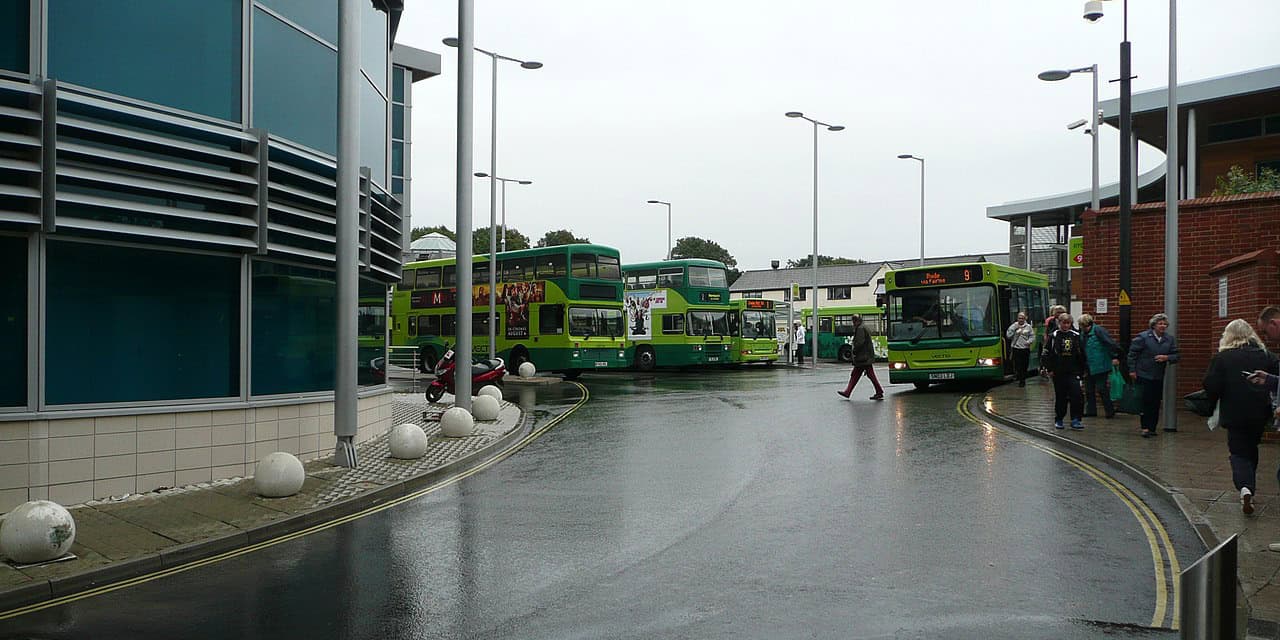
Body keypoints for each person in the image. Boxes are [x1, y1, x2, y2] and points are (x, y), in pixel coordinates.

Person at [1204, 319, 1278, 515]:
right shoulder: (1266, 355)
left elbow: (1211, 385)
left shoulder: (1223, 358)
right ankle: (1249, 486)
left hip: (1234, 411)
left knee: (1237, 451)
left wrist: (1210, 406)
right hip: (1260, 411)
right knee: (1251, 446)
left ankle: (1245, 487)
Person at [1128, 313, 1181, 437]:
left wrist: (1166, 357)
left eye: (1164, 324)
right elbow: (1132, 354)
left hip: (1158, 375)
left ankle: (1152, 427)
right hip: (1143, 373)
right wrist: (1132, 370)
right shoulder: (1143, 337)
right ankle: (1145, 428)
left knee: (1156, 402)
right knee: (1145, 401)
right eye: (1160, 324)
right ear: (1154, 325)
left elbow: (1176, 355)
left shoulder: (1169, 339)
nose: (1162, 326)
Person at [1041, 312, 1087, 430]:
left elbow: (1082, 355)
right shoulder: (1054, 336)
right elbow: (1046, 354)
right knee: (1061, 397)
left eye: (1068, 323)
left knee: (1077, 395)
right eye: (1063, 323)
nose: (1066, 325)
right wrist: (1049, 369)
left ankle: (1076, 419)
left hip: (1073, 371)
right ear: (1059, 323)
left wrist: (1083, 370)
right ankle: (1059, 419)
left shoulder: (1076, 336)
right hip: (1058, 372)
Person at [1078, 314, 1120, 418]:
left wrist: (1114, 356)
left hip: (1101, 365)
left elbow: (1110, 344)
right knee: (1089, 390)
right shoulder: (1083, 334)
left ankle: (1109, 411)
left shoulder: (1099, 331)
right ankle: (1091, 411)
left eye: (1084, 326)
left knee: (1102, 389)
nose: (1083, 328)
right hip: (1089, 365)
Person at [837, 314, 885, 401]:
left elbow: (859, 342)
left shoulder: (860, 329)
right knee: (864, 375)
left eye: (854, 321)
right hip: (865, 357)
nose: (853, 323)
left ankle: (848, 392)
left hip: (862, 357)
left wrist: (854, 351)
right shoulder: (862, 327)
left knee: (857, 375)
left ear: (856, 321)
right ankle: (878, 391)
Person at [1005, 311, 1035, 387]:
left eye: (1022, 318)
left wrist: (1028, 342)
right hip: (1016, 348)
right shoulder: (1013, 326)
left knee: (1025, 365)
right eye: (1019, 318)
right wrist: (1015, 332)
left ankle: (1023, 378)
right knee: (1018, 365)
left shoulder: (1028, 327)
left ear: (1025, 318)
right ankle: (1021, 380)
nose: (1021, 320)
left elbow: (1032, 336)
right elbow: (1008, 336)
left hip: (1025, 349)